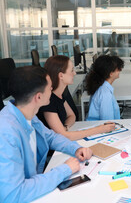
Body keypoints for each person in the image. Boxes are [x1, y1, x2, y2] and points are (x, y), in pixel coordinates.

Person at [0, 66, 92, 202]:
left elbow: (50, 137)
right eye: (49, 87)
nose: (52, 89)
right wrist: (65, 170)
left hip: (36, 184)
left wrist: (76, 148)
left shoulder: (26, 113)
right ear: (38, 96)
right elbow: (13, 195)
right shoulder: (6, 133)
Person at [37, 55, 115, 141]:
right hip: (53, 152)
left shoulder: (59, 95)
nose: (75, 73)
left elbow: (72, 116)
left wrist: (65, 127)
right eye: (71, 70)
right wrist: (100, 129)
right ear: (61, 75)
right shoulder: (49, 100)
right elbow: (64, 136)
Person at [85, 55, 124, 121]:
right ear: (110, 73)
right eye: (118, 69)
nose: (120, 70)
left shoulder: (101, 86)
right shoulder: (105, 93)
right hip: (103, 129)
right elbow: (108, 122)